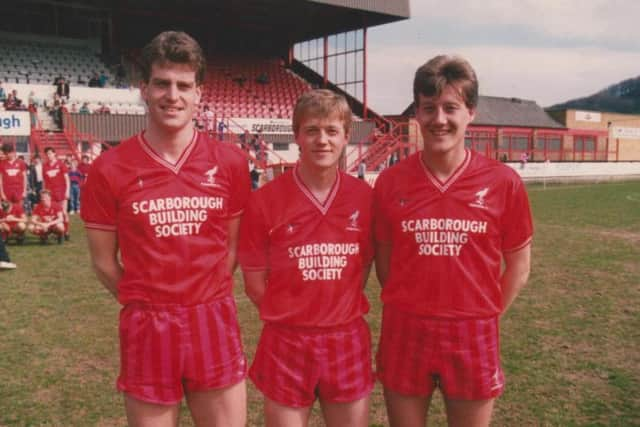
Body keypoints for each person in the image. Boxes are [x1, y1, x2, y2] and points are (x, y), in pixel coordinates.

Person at [81, 31, 250, 427]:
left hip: (212, 319)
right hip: (148, 326)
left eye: (183, 85)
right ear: (144, 88)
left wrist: (198, 296)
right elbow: (105, 263)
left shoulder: (231, 163)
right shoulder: (109, 169)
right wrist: (149, 299)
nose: (172, 95)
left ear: (199, 93)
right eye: (162, 83)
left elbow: (231, 250)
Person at [373, 55, 533, 427]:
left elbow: (519, 267)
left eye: (451, 107)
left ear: (471, 112)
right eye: (429, 108)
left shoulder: (503, 181)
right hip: (406, 329)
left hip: (472, 332)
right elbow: (385, 264)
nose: (439, 119)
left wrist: (481, 313)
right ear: (417, 112)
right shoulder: (390, 183)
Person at [238, 89, 375, 427]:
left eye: (331, 130)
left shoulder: (366, 199)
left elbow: (364, 267)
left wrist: (333, 309)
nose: (322, 140)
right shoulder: (264, 201)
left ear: (346, 136)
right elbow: (255, 284)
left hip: (346, 338)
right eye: (312, 130)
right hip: (287, 341)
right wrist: (295, 313)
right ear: (297, 135)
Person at [42, 146, 70, 240]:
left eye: (50, 153)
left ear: (54, 153)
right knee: (53, 213)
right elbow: (44, 181)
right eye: (47, 154)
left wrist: (67, 191)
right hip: (50, 193)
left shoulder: (61, 164)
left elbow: (67, 179)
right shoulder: (45, 166)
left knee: (64, 212)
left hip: (61, 191)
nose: (49, 155)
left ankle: (66, 231)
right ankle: (56, 231)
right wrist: (44, 193)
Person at [0, 143, 28, 209]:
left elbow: (25, 178)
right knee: (6, 211)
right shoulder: (2, 163)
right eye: (6, 153)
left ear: (13, 152)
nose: (8, 155)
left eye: (9, 153)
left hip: (19, 190)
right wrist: (2, 193)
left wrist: (24, 191)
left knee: (19, 210)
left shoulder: (21, 162)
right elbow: (0, 180)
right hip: (7, 190)